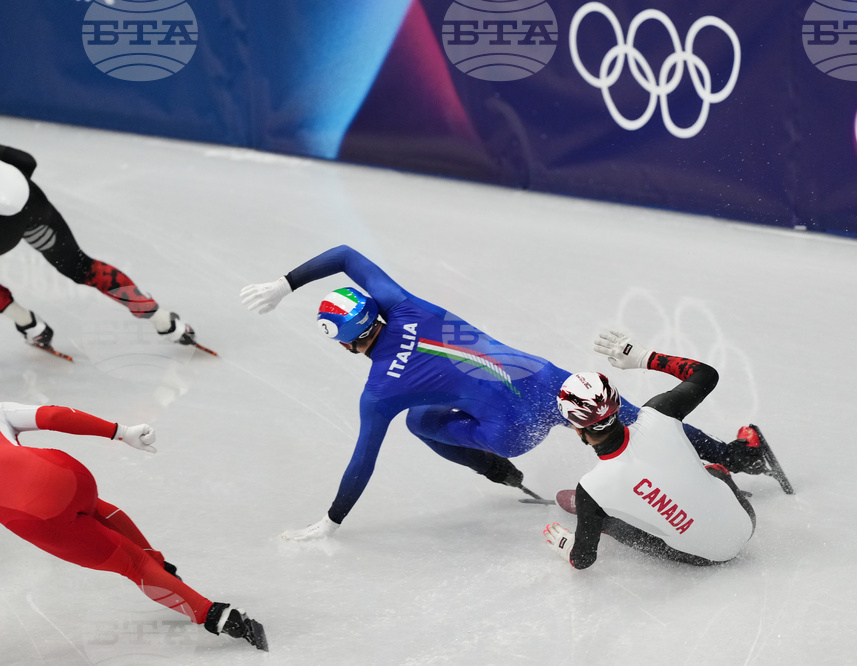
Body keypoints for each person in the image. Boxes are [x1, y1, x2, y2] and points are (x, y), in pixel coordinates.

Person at [239, 245, 653, 541]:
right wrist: (286, 283)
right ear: (373, 310)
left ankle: (495, 468)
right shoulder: (403, 305)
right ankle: (711, 452)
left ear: (345, 344)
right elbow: (345, 255)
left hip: (511, 434)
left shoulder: (380, 391)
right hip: (544, 380)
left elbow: (363, 459)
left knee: (420, 419)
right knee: (634, 419)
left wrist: (333, 519)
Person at [0, 401, 268, 651]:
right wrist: (121, 431)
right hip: (68, 474)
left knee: (135, 566)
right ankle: (163, 569)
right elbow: (53, 416)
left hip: (36, 515)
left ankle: (218, 617)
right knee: (94, 510)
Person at [542, 329, 790, 570]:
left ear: (576, 428)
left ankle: (598, 519)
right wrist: (645, 358)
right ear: (616, 404)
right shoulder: (659, 414)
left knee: (611, 522)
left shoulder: (590, 489)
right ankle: (740, 456)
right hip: (746, 520)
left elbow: (583, 560)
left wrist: (568, 546)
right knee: (703, 464)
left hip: (707, 557)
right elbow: (706, 375)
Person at [0, 144, 197, 353]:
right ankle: (164, 321)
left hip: (9, 226)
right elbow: (26, 160)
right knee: (80, 266)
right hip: (34, 206)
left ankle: (29, 323)